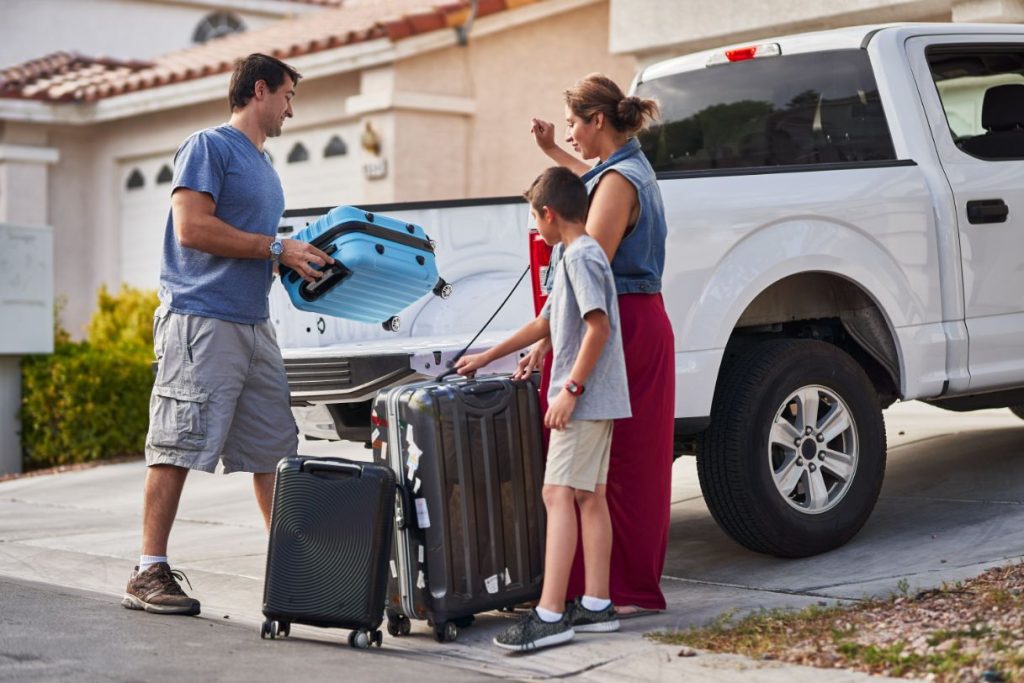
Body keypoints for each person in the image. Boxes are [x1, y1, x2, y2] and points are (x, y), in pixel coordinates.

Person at [121, 54, 333, 616]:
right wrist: (274, 247)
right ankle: (148, 571)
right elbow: (191, 228)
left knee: (273, 449)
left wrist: (290, 262)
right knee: (177, 443)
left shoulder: (265, 167)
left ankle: (292, 569)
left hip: (252, 323)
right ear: (259, 90)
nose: (291, 108)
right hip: (201, 319)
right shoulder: (208, 147)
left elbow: (251, 246)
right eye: (287, 95)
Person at [456, 167, 630, 651]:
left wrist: (570, 388)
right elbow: (546, 321)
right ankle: (596, 605)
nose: (536, 229)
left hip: (585, 397)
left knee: (557, 495)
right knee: (588, 497)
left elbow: (598, 328)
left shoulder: (580, 257)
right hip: (601, 396)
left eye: (535, 219)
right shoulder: (575, 253)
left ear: (549, 214)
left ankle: (551, 614)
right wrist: (489, 356)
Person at [523, 73, 674, 616]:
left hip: (622, 327)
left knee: (615, 469)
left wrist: (547, 337)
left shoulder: (618, 182)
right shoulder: (624, 169)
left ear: (598, 121)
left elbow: (588, 273)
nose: (571, 135)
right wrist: (551, 151)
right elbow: (593, 178)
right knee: (619, 467)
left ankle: (616, 593)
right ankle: (600, 591)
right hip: (633, 320)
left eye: (573, 126)